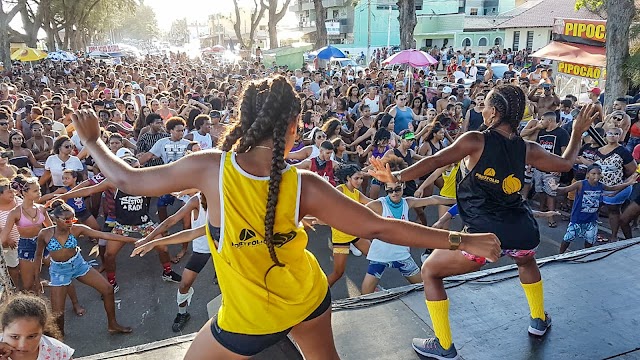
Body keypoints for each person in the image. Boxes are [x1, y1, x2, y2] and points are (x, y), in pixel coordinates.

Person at [71, 76, 501, 359]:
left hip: (249, 319)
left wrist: (92, 141)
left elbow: (126, 180)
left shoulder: (208, 167)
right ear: (294, 124)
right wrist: (463, 241)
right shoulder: (304, 185)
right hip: (307, 298)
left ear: (244, 120)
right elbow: (380, 226)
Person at [369, 84, 598, 359]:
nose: (483, 110)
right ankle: (538, 320)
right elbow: (565, 164)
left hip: (482, 237)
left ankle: (443, 345)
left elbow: (433, 160)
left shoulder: (475, 140)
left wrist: (397, 177)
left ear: (495, 112)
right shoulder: (528, 147)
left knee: (430, 271)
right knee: (525, 260)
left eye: (486, 105)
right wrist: (576, 132)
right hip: (522, 231)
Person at [34, 199, 134, 336]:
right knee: (58, 313)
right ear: (55, 219)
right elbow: (38, 256)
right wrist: (36, 280)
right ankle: (59, 340)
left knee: (108, 289)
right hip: (59, 271)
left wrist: (134, 240)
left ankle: (113, 325)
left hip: (78, 265)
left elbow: (105, 235)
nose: (71, 222)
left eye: (73, 219)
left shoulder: (77, 229)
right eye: (66, 220)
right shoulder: (44, 234)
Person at [131, 193, 212, 333]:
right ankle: (182, 313)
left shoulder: (226, 194)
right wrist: (149, 239)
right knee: (184, 284)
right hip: (203, 248)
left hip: (224, 247)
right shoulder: (196, 199)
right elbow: (174, 222)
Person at [551, 164, 637, 253]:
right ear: (588, 174)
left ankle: (586, 253)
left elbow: (612, 188)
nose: (596, 176)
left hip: (591, 219)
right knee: (568, 237)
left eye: (599, 174)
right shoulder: (580, 184)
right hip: (577, 218)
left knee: (590, 240)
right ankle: (560, 254)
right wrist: (556, 188)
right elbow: (565, 189)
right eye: (593, 173)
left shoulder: (601, 185)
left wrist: (628, 183)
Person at [325, 164, 372, 287]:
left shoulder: (356, 193)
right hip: (341, 238)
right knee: (338, 273)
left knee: (376, 259)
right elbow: (328, 207)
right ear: (348, 178)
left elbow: (372, 203)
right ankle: (321, 291)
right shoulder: (340, 190)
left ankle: (371, 285)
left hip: (356, 234)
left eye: (361, 178)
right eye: (357, 178)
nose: (360, 181)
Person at [0, 294, 74, 359]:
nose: (22, 345)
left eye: (31, 337)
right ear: (3, 330)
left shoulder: (58, 353)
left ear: (42, 330)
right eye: (14, 337)